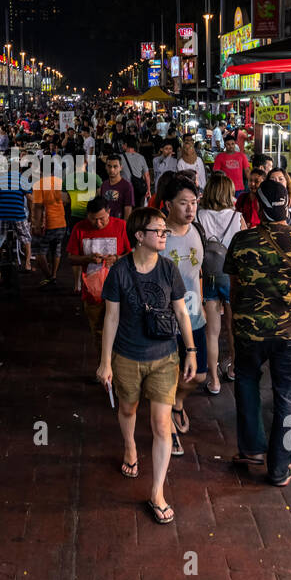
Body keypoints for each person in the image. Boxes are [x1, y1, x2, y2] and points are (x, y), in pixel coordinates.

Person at [225, 179, 291, 486]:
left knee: (246, 382)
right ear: (289, 206)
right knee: (288, 394)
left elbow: (234, 290)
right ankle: (279, 467)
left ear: (257, 207)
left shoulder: (242, 241)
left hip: (250, 331)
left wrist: (237, 323)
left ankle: (252, 449)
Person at [96, 206, 197, 526]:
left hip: (165, 357)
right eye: (159, 231)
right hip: (127, 356)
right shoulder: (120, 272)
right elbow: (111, 318)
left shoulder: (169, 269)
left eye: (166, 230)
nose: (165, 235)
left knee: (160, 423)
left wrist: (191, 350)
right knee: (127, 410)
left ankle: (157, 492)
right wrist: (105, 362)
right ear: (139, 236)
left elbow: (182, 313)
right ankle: (129, 448)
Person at [159, 175, 205, 454]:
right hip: (165, 319)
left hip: (194, 316)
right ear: (167, 205)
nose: (190, 209)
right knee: (166, 376)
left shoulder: (195, 230)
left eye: (194, 202)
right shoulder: (159, 236)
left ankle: (177, 404)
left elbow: (196, 273)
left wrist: (201, 307)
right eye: (184, 203)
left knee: (197, 376)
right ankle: (167, 428)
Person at [197, 172, 246, 395]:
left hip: (208, 275)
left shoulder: (198, 216)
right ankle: (235, 368)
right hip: (231, 277)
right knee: (232, 328)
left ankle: (214, 380)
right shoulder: (237, 217)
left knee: (212, 332)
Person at [66, 195, 129, 352]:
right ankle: (104, 370)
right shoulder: (79, 228)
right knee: (99, 332)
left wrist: (116, 258)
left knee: (123, 331)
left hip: (122, 291)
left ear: (109, 212)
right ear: (87, 215)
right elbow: (71, 258)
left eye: (102, 219)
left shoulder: (121, 226)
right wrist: (87, 258)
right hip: (93, 293)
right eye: (94, 220)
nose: (98, 223)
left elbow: (134, 254)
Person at [32, 161, 70, 287]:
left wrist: (37, 225)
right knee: (56, 250)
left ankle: (49, 277)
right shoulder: (60, 182)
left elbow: (38, 206)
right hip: (61, 222)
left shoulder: (39, 184)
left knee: (39, 252)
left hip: (47, 224)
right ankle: (53, 275)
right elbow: (66, 200)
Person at [0, 163, 32, 272]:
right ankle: (27, 264)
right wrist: (31, 215)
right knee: (26, 238)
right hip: (18, 214)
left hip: (2, 214)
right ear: (19, 169)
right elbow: (30, 198)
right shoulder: (22, 179)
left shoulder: (1, 177)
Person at [99, 156, 136, 220]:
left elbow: (128, 210)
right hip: (105, 223)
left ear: (120, 168)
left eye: (115, 166)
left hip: (119, 225)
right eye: (109, 166)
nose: (112, 170)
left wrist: (124, 227)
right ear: (106, 167)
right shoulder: (104, 185)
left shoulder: (127, 186)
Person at [119, 136, 151, 207]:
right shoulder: (141, 157)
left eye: (123, 144)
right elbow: (147, 175)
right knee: (139, 209)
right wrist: (148, 189)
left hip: (125, 189)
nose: (122, 146)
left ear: (126, 145)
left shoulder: (120, 158)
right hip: (139, 189)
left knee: (127, 208)